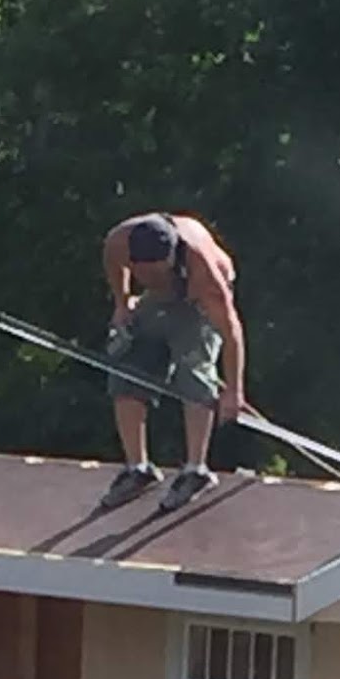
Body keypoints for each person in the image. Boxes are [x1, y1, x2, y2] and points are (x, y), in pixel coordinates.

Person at [98, 210, 246, 515]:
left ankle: (196, 469)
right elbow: (113, 265)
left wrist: (234, 391)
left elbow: (231, 332)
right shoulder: (118, 241)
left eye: (157, 273)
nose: (149, 278)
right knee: (127, 367)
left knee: (194, 372)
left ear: (170, 259)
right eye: (143, 274)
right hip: (158, 300)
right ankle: (138, 467)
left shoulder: (204, 274)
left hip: (196, 302)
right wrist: (122, 303)